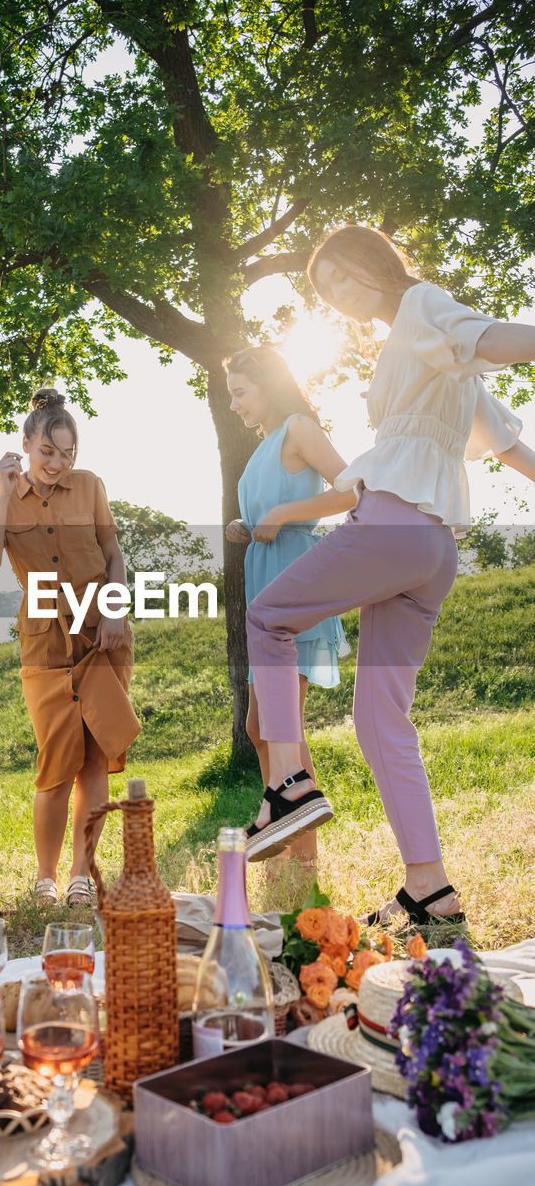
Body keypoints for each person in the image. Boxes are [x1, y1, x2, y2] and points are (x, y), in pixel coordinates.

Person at [245, 225, 535, 932]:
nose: (339, 296)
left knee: (267, 618)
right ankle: (428, 890)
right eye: (326, 290)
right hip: (431, 550)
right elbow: (505, 443)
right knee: (381, 723)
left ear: (378, 261)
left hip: (392, 527)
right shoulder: (431, 356)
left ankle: (286, 782)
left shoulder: (420, 307)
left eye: (344, 276)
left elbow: (496, 336)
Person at [0, 389, 140, 906]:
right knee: (56, 760)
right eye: (47, 452)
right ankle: (45, 877)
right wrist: (4, 495)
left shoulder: (89, 487)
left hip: (103, 634)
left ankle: (79, 874)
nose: (57, 463)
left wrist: (115, 609)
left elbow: (112, 552)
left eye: (67, 454)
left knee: (94, 759)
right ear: (25, 445)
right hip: (46, 641)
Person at [224, 346, 350, 869]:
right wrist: (247, 528)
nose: (234, 405)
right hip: (264, 582)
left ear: (269, 386)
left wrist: (285, 513)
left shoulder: (300, 426)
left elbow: (351, 489)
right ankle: (291, 829)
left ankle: (303, 862)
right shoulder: (260, 449)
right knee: (262, 727)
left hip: (296, 581)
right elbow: (267, 517)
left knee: (282, 724)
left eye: (240, 392)